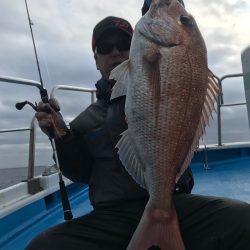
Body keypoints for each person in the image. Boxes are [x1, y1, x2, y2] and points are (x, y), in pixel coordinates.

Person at [26, 5, 250, 250]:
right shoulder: (85, 122)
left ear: (136, 48)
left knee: (243, 220)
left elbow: (182, 76)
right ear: (96, 58)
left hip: (174, 202)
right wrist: (63, 138)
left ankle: (162, 219)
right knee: (42, 246)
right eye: (105, 47)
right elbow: (80, 173)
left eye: (124, 44)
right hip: (113, 217)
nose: (115, 51)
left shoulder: (155, 79)